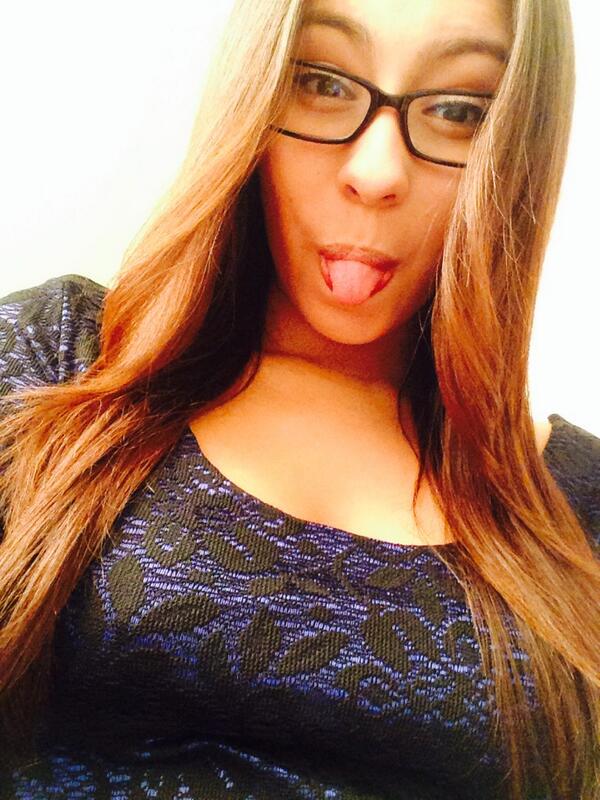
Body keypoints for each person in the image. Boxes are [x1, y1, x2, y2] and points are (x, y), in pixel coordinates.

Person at [0, 0, 598, 797]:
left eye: (459, 110)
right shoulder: (56, 360)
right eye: (322, 82)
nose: (376, 173)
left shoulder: (579, 505)